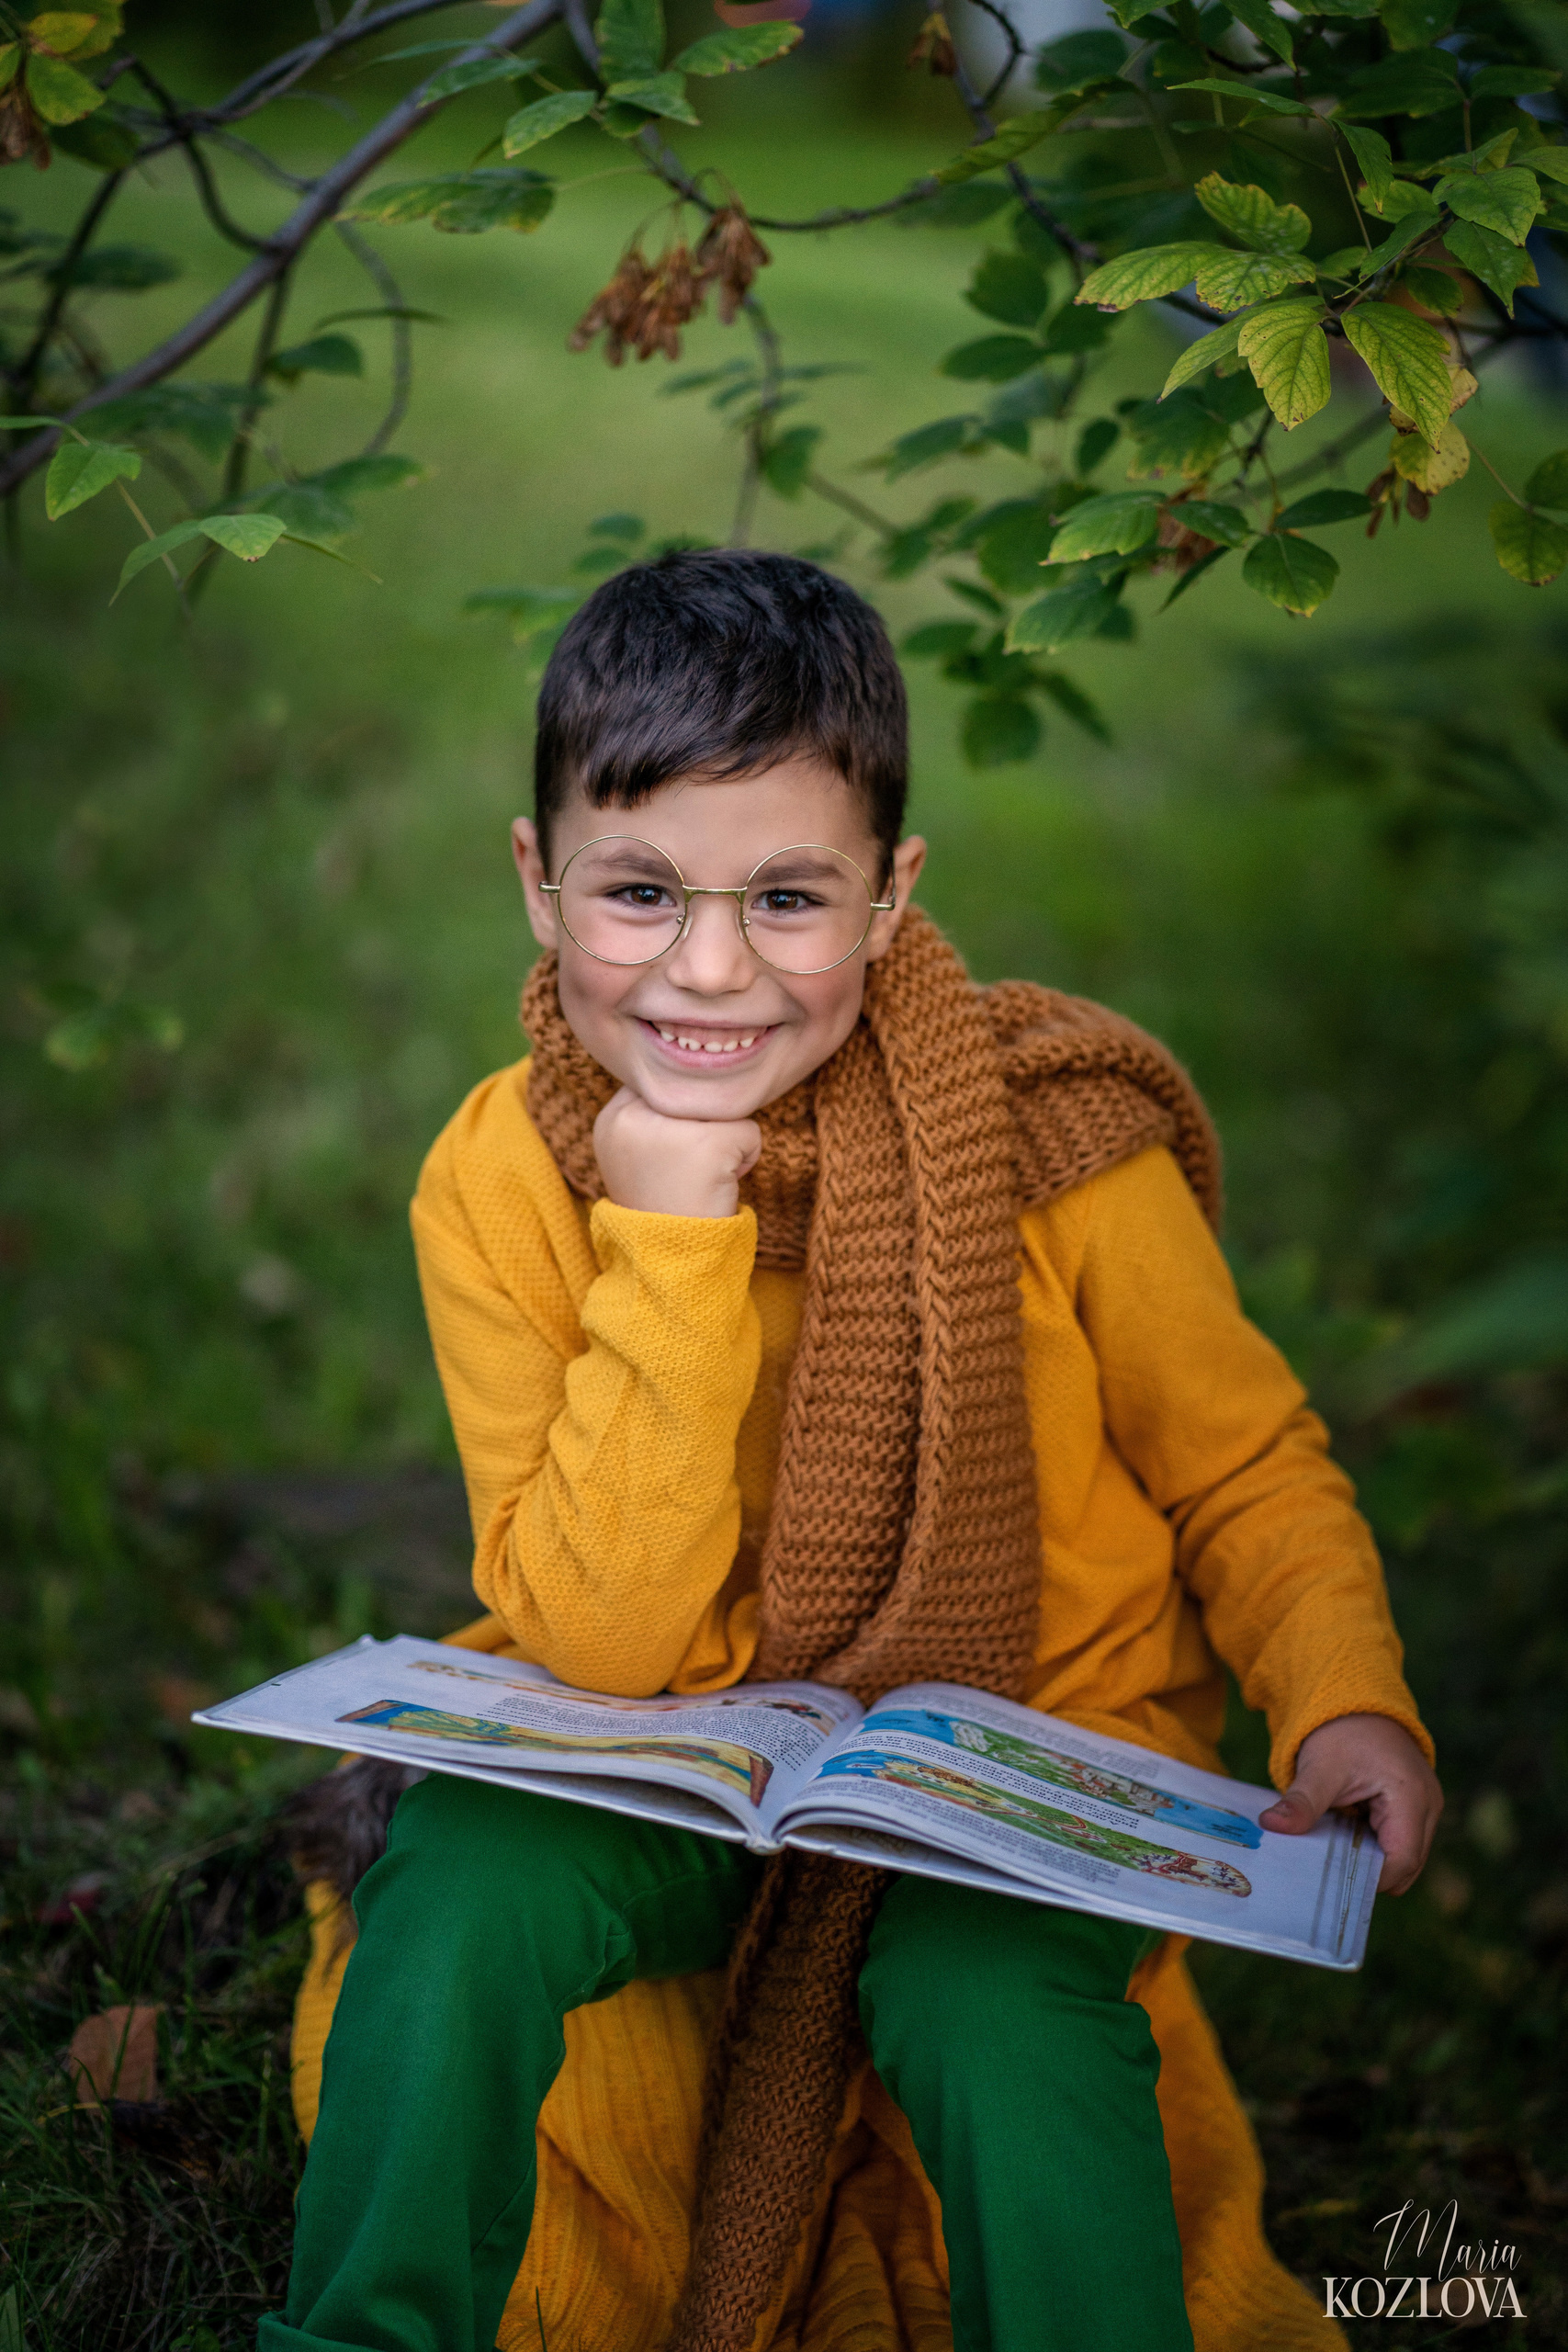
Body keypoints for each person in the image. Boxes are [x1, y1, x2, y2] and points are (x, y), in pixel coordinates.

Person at [264, 550, 1442, 2352]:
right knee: (465, 1887)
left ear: (890, 895)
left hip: (1033, 1746)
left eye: (787, 897)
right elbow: (603, 1637)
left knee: (993, 2008)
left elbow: (1243, 1467)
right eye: (638, 891)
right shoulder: (500, 1175)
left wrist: (1343, 1692)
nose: (708, 967)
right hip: (670, 1743)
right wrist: (671, 1242)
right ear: (534, 878)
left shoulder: (1052, 1145)